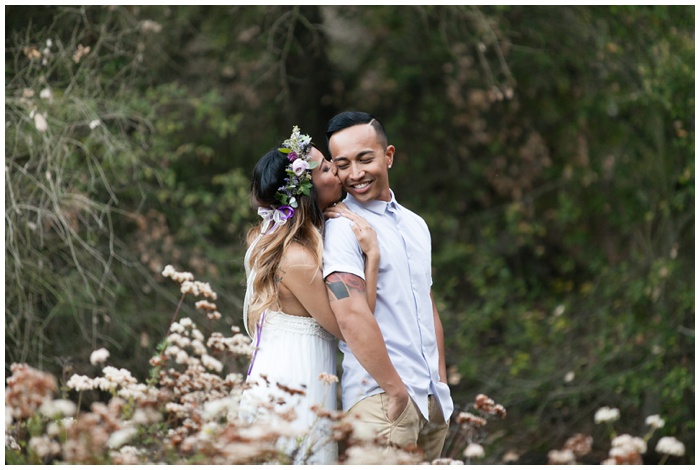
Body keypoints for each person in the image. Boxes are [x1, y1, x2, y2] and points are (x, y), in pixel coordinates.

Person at [239, 126, 379, 465]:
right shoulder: (297, 260)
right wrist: (372, 257)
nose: (337, 168)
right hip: (294, 382)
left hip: (300, 372)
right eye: (328, 169)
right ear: (308, 190)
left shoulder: (302, 244)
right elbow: (350, 328)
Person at [321, 112, 454, 462]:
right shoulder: (341, 228)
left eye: (365, 159)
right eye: (343, 164)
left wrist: (440, 381)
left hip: (431, 402)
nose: (355, 174)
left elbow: (427, 303)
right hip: (382, 401)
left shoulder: (416, 225)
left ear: (389, 155)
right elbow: (349, 315)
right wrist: (396, 391)